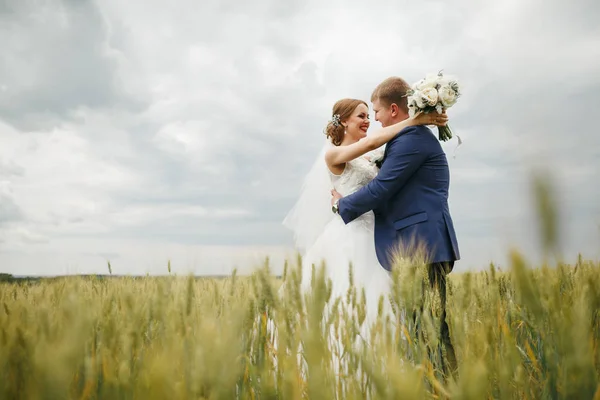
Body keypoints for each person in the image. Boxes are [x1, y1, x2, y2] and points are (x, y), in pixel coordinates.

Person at [283, 97, 448, 340]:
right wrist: (416, 120)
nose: (368, 121)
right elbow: (371, 142)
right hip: (349, 235)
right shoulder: (334, 154)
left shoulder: (369, 159)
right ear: (343, 121)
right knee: (348, 299)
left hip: (376, 235)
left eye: (369, 116)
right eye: (361, 116)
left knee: (380, 302)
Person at [330, 77, 460, 378]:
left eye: (374, 111)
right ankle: (433, 384)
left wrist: (341, 205)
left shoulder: (411, 140)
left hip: (420, 244)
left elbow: (380, 190)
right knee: (422, 327)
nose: (374, 118)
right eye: (365, 114)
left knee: (431, 329)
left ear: (392, 109)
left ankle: (445, 386)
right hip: (413, 243)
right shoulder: (406, 138)